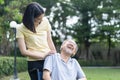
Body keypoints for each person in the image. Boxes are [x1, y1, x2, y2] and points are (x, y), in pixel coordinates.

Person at [16, 2, 56, 80]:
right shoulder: (20, 28)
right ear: (30, 18)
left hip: (48, 60)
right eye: (38, 19)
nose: (40, 21)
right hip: (34, 62)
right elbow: (23, 51)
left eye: (42, 18)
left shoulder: (45, 21)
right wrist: (43, 55)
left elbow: (49, 39)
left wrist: (54, 53)